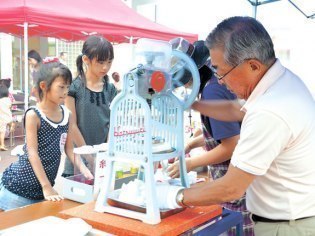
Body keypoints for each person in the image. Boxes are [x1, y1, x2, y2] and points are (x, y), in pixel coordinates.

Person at [157, 16, 315, 235]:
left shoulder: (270, 110)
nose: (220, 80)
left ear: (253, 65)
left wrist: (170, 196)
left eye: (222, 72)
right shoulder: (281, 82)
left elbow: (231, 187)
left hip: (287, 225)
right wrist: (192, 103)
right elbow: (234, 110)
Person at [168, 38, 253, 235]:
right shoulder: (216, 83)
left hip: (236, 186)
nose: (186, 87)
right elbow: (222, 134)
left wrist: (188, 164)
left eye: (184, 81)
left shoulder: (212, 91)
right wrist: (191, 144)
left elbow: (231, 144)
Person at [0, 59, 93, 211]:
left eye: (67, 87)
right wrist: (47, 186)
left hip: (42, 189)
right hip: (18, 187)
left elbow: (69, 150)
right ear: (44, 86)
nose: (65, 92)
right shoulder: (34, 115)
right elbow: (32, 153)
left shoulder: (67, 115)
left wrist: (85, 171)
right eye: (61, 87)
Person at [62, 35, 117, 177]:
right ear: (86, 60)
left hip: (103, 159)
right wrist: (90, 159)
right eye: (100, 62)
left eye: (109, 62)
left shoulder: (110, 89)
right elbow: (72, 126)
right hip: (78, 160)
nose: (105, 67)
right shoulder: (74, 87)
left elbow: (113, 125)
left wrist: (106, 154)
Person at [0, 84, 12, 151]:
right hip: (6, 118)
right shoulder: (8, 100)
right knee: (3, 131)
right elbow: (10, 106)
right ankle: (2, 144)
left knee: (2, 130)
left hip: (1, 118)